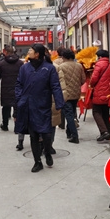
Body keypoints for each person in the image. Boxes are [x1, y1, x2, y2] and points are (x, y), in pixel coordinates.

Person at [15, 43, 64, 173]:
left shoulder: (49, 68)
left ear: (37, 54)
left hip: (43, 105)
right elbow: (19, 84)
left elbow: (55, 86)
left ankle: (47, 151)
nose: (29, 51)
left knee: (46, 133)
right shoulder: (24, 68)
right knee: (33, 135)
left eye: (31, 50)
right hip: (28, 106)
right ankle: (37, 162)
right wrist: (20, 99)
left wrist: (59, 103)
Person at [0, 45, 23, 134]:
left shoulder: (2, 64)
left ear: (5, 52)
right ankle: (17, 126)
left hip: (5, 88)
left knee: (5, 107)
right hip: (18, 88)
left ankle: (5, 125)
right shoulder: (20, 63)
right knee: (17, 107)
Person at [57, 48, 85, 144]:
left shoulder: (61, 67)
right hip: (76, 93)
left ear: (64, 57)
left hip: (65, 94)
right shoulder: (79, 66)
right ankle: (69, 132)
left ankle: (74, 136)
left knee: (68, 115)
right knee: (72, 113)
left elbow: (58, 81)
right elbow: (83, 80)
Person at [90, 49, 110, 142]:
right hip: (108, 93)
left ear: (100, 57)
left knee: (96, 112)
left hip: (99, 92)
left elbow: (94, 79)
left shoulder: (99, 64)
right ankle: (108, 133)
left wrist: (91, 85)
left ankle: (104, 132)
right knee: (106, 113)